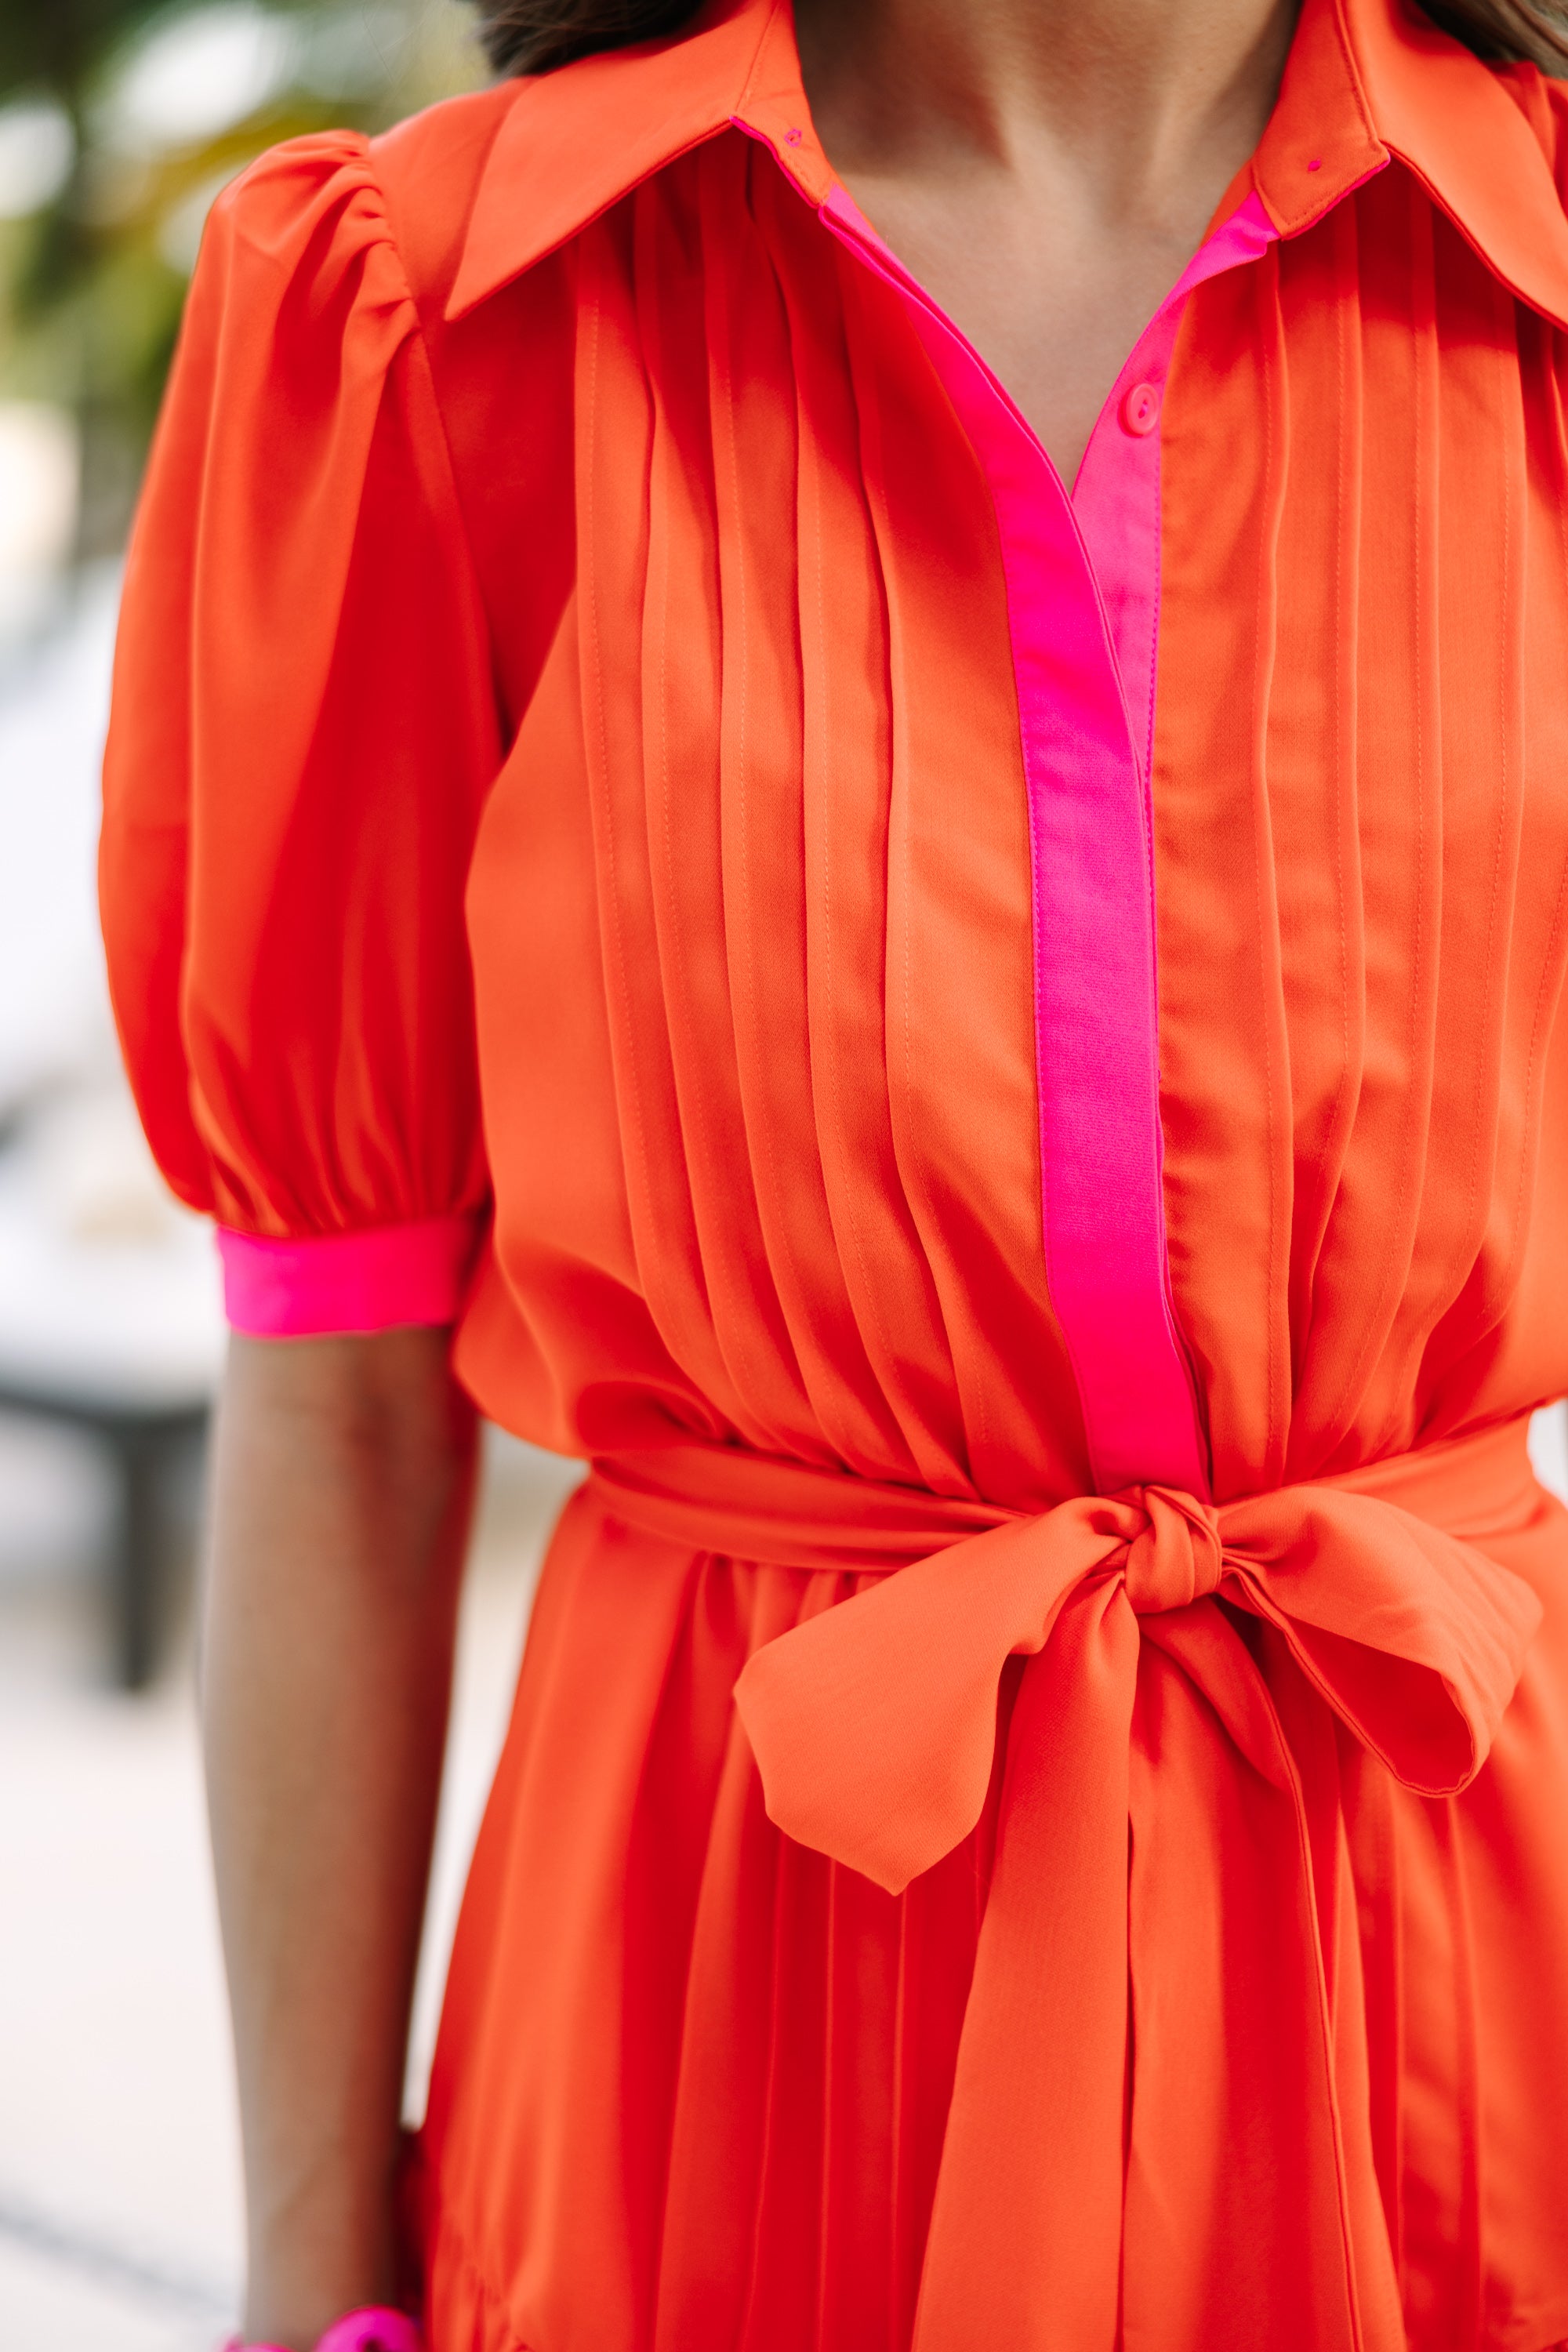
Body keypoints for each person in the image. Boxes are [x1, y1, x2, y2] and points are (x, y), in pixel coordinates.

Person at [99, 0, 1568, 2342]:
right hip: (722, 2035)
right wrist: (309, 2284)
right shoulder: (435, 312)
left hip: (1455, 2011)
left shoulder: (1544, 268)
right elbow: (343, 1399)